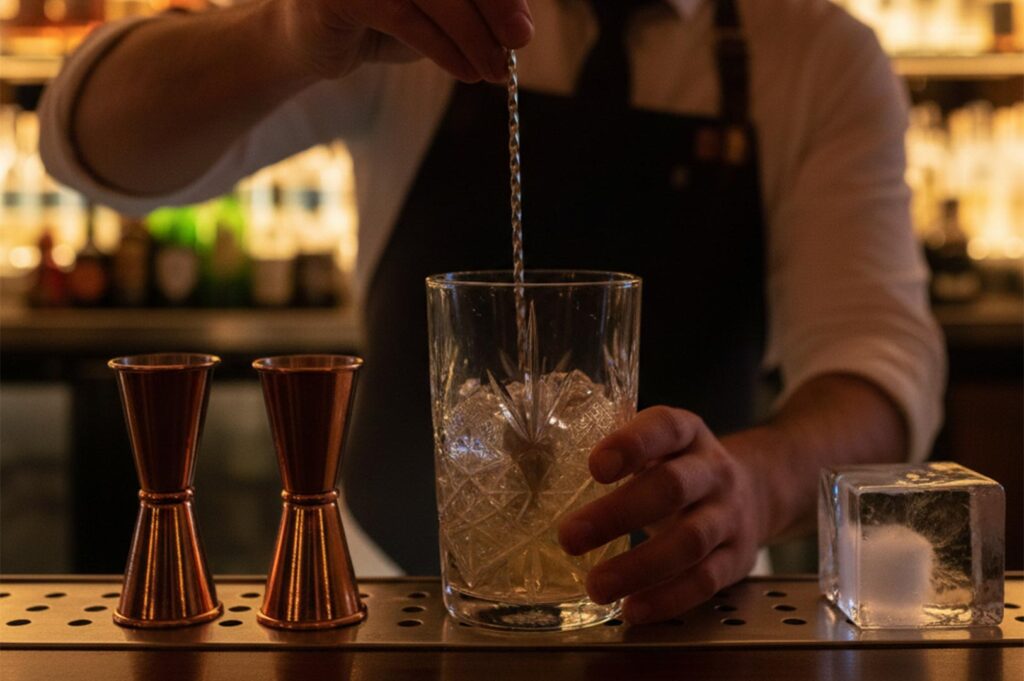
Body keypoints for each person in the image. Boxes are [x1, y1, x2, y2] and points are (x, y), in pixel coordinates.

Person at [39, 0, 945, 624]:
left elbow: (880, 365)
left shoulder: (819, 56)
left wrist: (755, 485)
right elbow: (90, 143)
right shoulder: (415, 19)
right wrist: (287, 33)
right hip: (396, 604)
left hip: (691, 623)